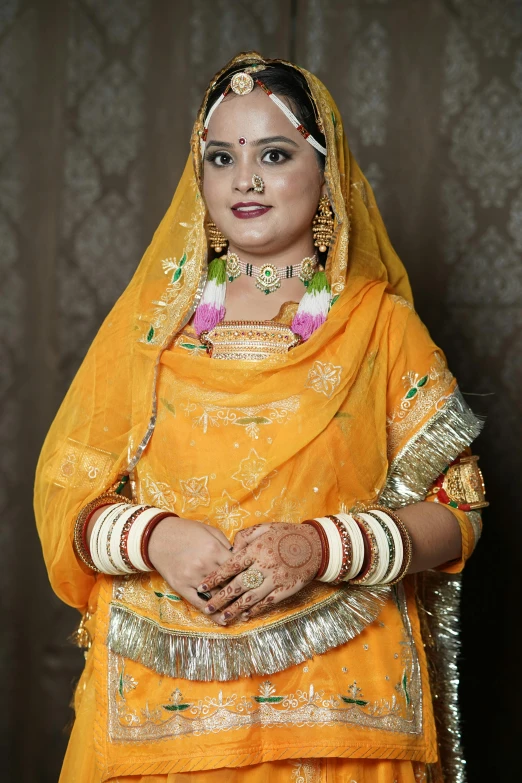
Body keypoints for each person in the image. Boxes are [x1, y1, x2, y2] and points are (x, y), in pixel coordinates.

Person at [34, 52, 487, 783]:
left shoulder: (378, 325)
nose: (244, 180)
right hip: (163, 715)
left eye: (273, 155)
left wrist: (319, 548)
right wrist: (159, 538)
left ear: (326, 170)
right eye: (221, 157)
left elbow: (458, 511)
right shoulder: (155, 328)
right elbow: (65, 497)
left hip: (337, 720)